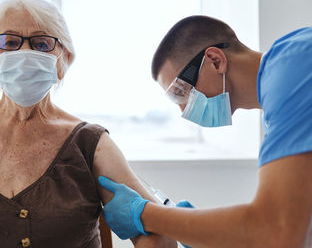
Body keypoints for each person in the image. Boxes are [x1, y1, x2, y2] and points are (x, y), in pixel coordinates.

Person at [0, 0, 177, 248]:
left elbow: (160, 232)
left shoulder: (91, 145)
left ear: (64, 60)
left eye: (41, 44)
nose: (24, 52)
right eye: (10, 42)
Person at [98, 15, 312, 247]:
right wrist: (204, 232)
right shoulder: (282, 99)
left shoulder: (295, 69)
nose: (183, 109)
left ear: (215, 60)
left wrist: (147, 215)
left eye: (179, 92)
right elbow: (295, 225)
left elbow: (275, 232)